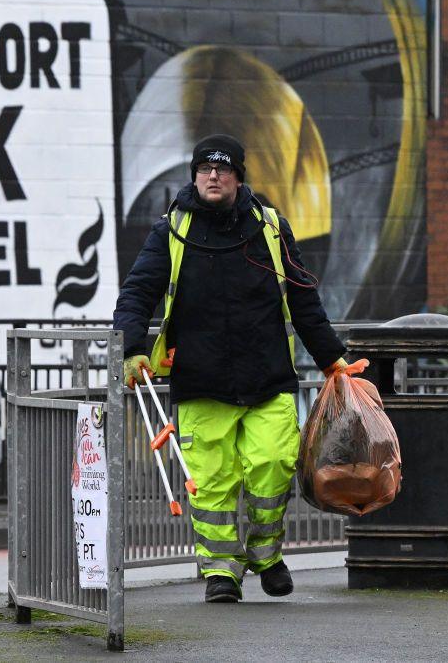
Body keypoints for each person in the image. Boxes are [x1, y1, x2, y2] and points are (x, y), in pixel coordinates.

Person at [113, 134, 347, 603]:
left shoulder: (271, 228)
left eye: (222, 169)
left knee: (274, 466)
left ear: (239, 176)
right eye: (204, 169)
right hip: (202, 381)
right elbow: (137, 293)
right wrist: (130, 349)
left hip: (267, 377)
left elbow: (304, 299)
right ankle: (221, 571)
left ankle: (266, 555)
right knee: (212, 483)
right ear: (195, 176)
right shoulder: (171, 231)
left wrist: (331, 359)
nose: (213, 176)